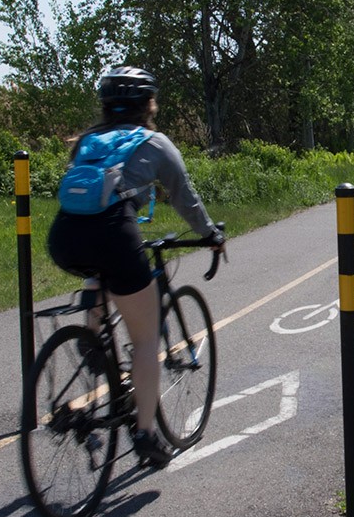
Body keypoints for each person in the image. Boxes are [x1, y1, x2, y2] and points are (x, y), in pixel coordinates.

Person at [47, 66, 225, 467]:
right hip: (114, 234)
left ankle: (93, 338)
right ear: (149, 104)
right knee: (145, 340)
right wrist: (211, 233)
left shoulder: (87, 141)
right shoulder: (156, 143)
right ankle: (145, 434)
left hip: (64, 238)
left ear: (106, 106)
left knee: (101, 267)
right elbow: (184, 197)